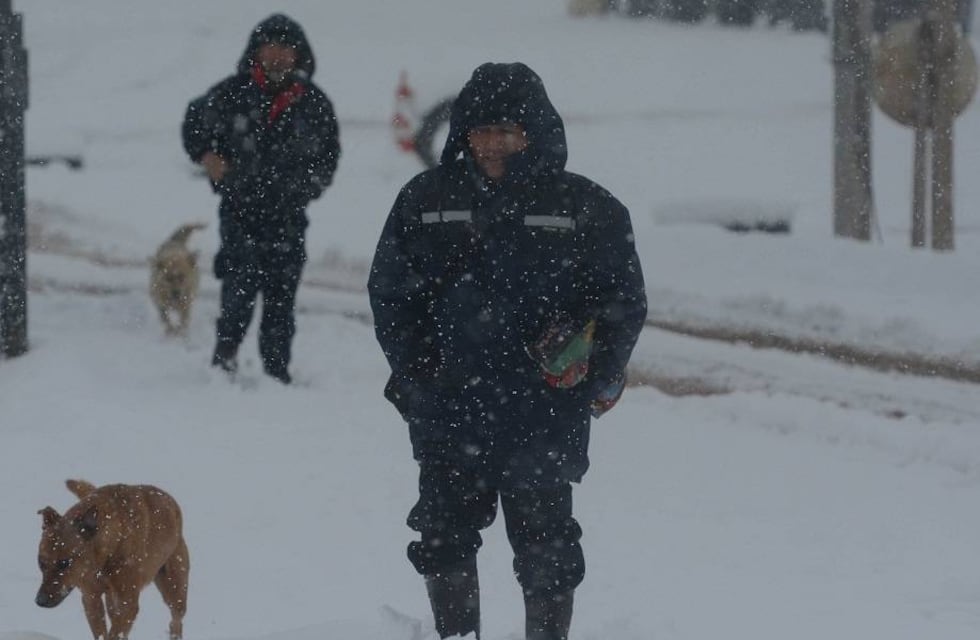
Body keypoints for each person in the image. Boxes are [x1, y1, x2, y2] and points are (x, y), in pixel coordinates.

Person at [368, 62, 647, 640]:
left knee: (547, 545)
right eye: (482, 128)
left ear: (535, 132)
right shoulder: (424, 199)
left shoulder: (585, 207)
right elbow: (392, 295)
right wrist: (418, 371)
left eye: (508, 130)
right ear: (463, 131)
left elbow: (623, 301)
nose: (494, 142)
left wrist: (596, 374)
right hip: (450, 407)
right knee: (443, 535)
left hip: (543, 411)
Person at [182, 13, 340, 384]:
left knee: (281, 299)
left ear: (299, 55)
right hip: (239, 211)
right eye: (270, 45)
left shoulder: (313, 104)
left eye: (287, 47)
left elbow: (328, 158)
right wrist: (208, 156)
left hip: (288, 217)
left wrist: (305, 189)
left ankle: (276, 372)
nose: (278, 55)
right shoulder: (230, 94)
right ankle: (225, 361)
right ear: (255, 51)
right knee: (238, 290)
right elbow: (193, 124)